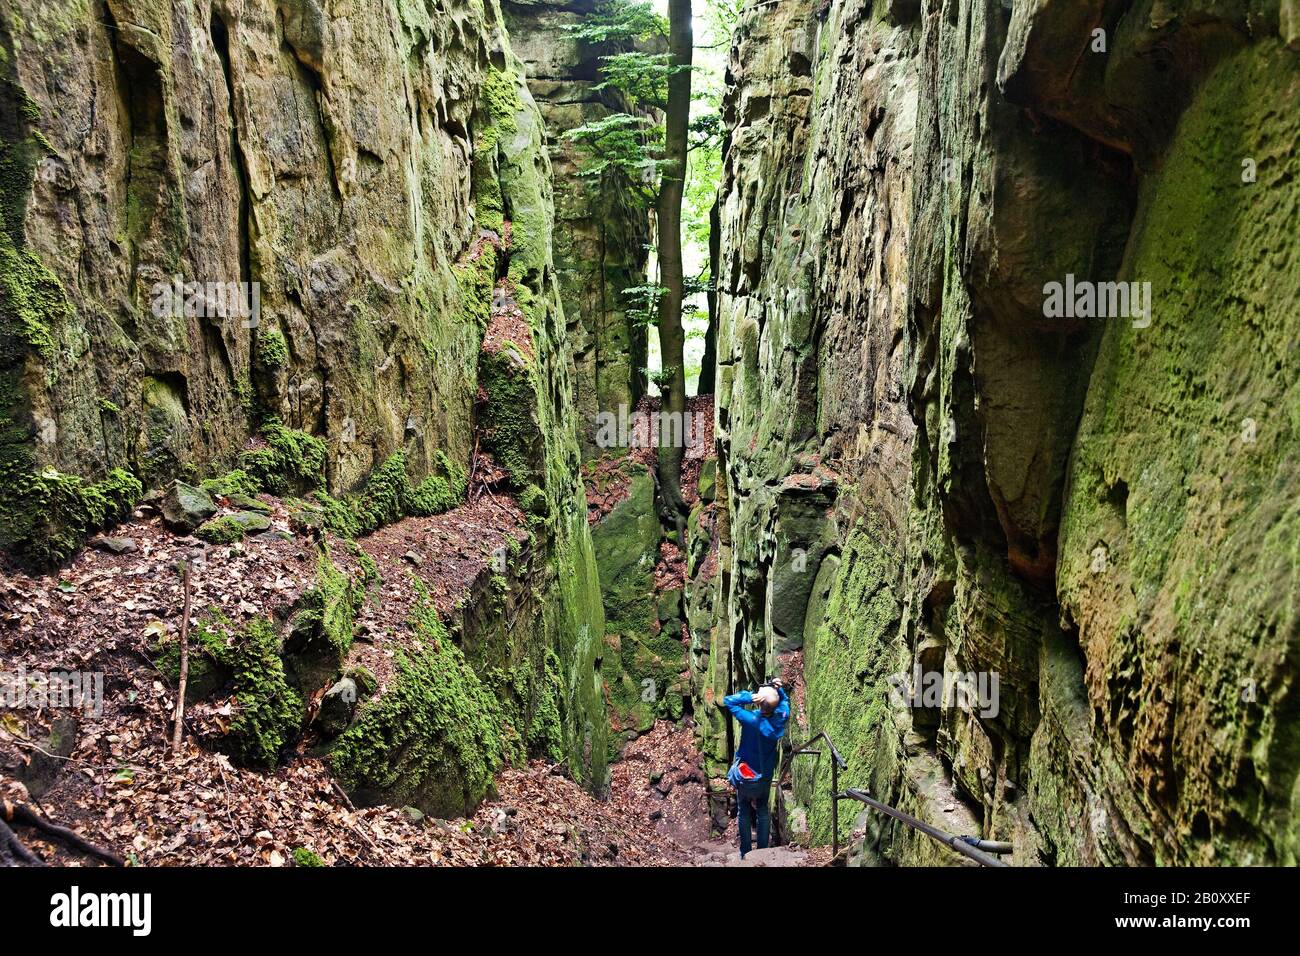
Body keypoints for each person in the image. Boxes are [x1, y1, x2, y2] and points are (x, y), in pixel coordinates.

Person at [723, 678, 789, 857]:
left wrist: (749, 697)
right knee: (762, 810)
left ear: (759, 702)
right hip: (765, 774)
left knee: (743, 810)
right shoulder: (781, 718)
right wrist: (779, 690)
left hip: (746, 775)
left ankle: (745, 851)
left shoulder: (750, 719)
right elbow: (784, 703)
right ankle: (762, 851)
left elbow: (728, 701)